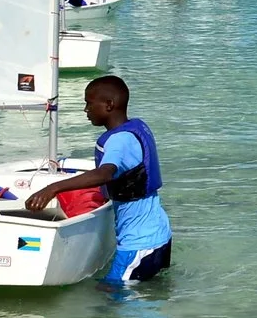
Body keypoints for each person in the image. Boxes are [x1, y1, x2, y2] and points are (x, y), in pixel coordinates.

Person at [24, 75, 170, 283]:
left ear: (109, 105)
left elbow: (104, 174)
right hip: (160, 234)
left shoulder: (119, 141)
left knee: (110, 297)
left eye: (89, 103)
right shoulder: (136, 127)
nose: (85, 110)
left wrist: (52, 188)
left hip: (139, 243)